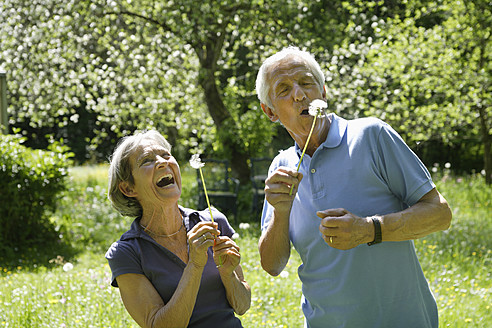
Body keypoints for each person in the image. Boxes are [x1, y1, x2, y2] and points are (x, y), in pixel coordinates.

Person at [256, 46, 452, 328]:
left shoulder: (372, 136)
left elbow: (440, 214)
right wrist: (280, 212)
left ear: (323, 92)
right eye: (284, 89)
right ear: (270, 111)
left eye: (306, 82)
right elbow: (272, 265)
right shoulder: (280, 168)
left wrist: (369, 230)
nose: (299, 94)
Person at [105, 130, 251, 328]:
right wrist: (195, 266)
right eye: (147, 160)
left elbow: (242, 306)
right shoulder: (126, 252)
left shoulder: (213, 221)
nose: (163, 162)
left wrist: (228, 274)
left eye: (166, 155)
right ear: (129, 189)